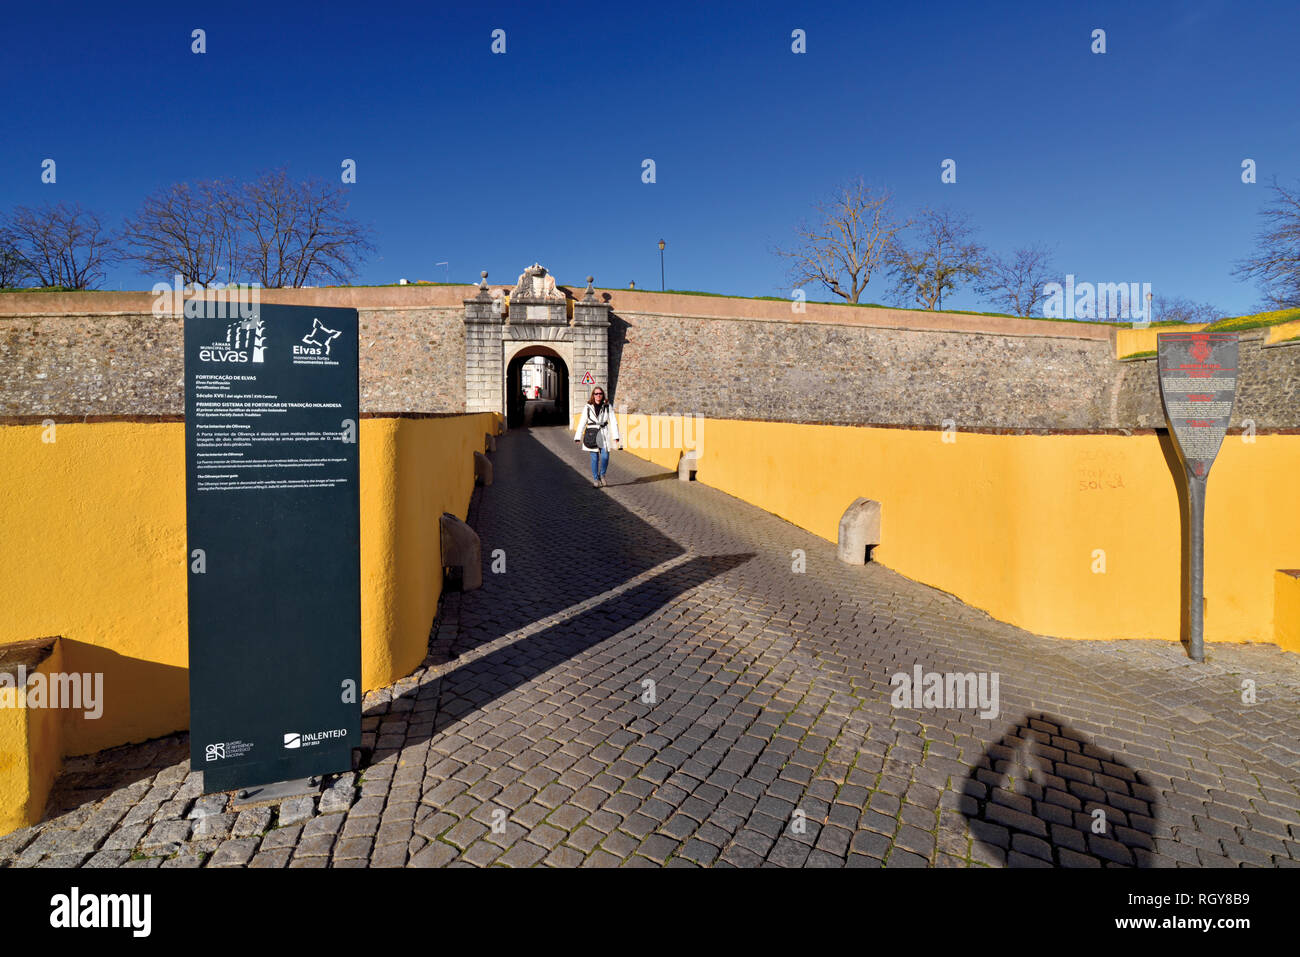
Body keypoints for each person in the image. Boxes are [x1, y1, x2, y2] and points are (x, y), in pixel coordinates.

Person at [574, 386, 621, 487]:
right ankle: (596, 479)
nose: (598, 395)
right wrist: (578, 436)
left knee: (605, 457)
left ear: (603, 395)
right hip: (592, 434)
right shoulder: (588, 406)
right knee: (594, 458)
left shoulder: (608, 406)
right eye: (596, 393)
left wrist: (616, 436)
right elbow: (582, 422)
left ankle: (602, 475)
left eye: (600, 393)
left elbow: (613, 421)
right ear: (593, 395)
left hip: (604, 433)